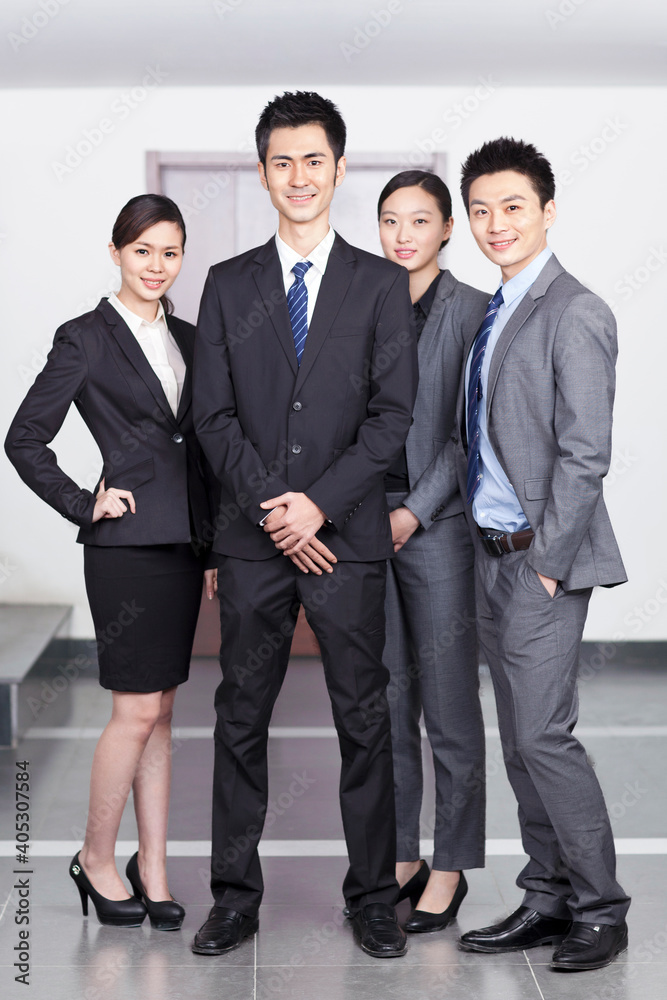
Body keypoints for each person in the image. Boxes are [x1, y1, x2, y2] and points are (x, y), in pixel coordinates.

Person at [191, 91, 418, 959]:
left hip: (345, 540)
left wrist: (318, 504)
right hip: (253, 545)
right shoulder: (227, 284)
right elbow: (211, 419)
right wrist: (274, 512)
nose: (297, 176)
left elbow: (390, 418)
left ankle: (370, 899)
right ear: (262, 172)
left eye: (313, 160)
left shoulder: (376, 283)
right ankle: (233, 898)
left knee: (363, 719)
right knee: (239, 717)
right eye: (280, 161)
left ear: (337, 168)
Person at [398, 137, 630, 971]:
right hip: (488, 555)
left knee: (542, 737)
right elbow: (472, 440)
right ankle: (545, 896)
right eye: (483, 210)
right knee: (517, 738)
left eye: (513, 207)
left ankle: (601, 907)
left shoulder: (575, 310)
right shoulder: (494, 314)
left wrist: (543, 562)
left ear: (547, 212)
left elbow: (584, 454)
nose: (497, 224)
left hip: (541, 558)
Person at [5, 194, 217, 931]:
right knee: (134, 711)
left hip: (186, 545)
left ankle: (152, 866)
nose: (156, 265)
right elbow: (24, 438)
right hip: (126, 551)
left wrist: (215, 543)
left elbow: (208, 450)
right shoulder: (85, 338)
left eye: (170, 252)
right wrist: (81, 501)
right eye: (142, 251)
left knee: (163, 712)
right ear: (116, 252)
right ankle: (95, 857)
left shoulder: (193, 337)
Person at [377, 170, 487, 932]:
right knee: (385, 704)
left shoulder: (474, 310)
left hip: (437, 526)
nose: (403, 234)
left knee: (447, 705)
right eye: (390, 220)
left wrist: (414, 511)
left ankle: (449, 866)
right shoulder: (361, 306)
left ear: (446, 228)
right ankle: (401, 857)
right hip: (363, 525)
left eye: (419, 220)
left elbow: (465, 432)